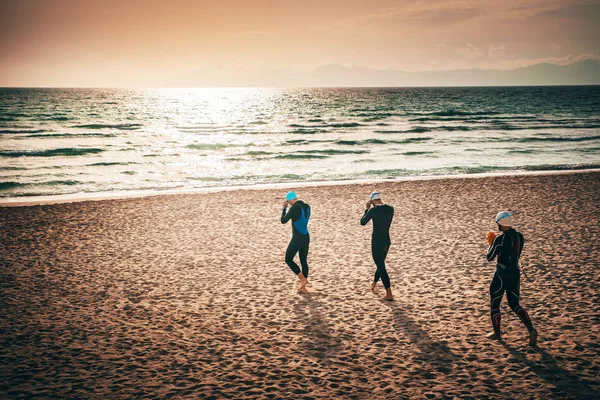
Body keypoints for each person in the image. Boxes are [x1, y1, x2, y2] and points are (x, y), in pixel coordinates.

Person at [486, 211, 538, 346]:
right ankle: (531, 330)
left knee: (495, 303)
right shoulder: (520, 237)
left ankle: (497, 334)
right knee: (515, 304)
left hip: (501, 275)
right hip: (515, 274)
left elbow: (490, 257)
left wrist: (491, 244)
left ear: (500, 223)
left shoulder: (499, 239)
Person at [360, 191, 394, 301]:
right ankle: (374, 283)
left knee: (381, 266)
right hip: (386, 241)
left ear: (372, 201)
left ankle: (389, 294)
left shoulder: (373, 210)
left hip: (377, 242)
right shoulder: (390, 209)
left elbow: (363, 222)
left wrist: (367, 209)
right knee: (380, 264)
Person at [280, 191, 311, 292]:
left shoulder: (294, 208)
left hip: (297, 238)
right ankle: (303, 287)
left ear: (289, 200)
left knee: (288, 259)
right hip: (306, 237)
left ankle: (303, 279)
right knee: (303, 261)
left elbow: (283, 220)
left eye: (288, 202)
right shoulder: (307, 207)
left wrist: (284, 209)